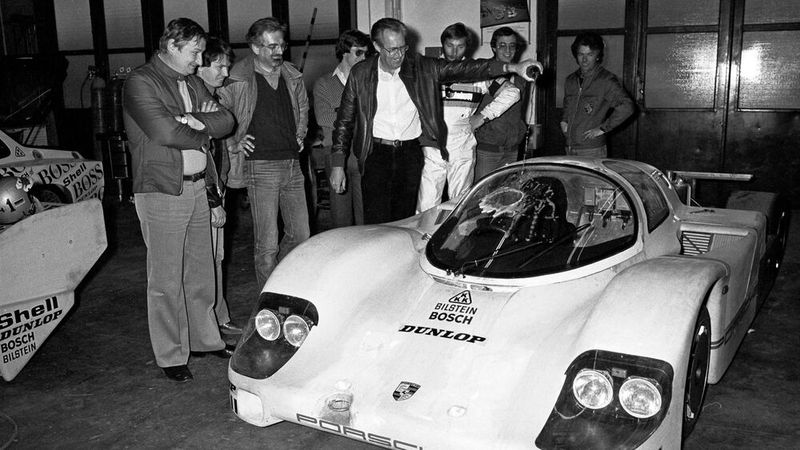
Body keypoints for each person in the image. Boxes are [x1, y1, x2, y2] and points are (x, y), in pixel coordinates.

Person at [330, 17, 540, 224]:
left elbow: (467, 69)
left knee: (407, 219)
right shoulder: (361, 73)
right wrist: (338, 164)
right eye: (392, 50)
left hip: (410, 153)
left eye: (402, 48)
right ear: (377, 46)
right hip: (376, 153)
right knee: (377, 220)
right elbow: (344, 120)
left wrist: (512, 68)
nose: (399, 55)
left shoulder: (420, 67)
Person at [122, 18, 235, 383]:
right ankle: (171, 354)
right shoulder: (141, 82)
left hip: (199, 186)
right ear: (172, 46)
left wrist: (192, 119)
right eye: (195, 52)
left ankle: (204, 340)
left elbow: (227, 121)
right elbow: (164, 131)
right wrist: (201, 129)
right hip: (162, 189)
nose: (200, 60)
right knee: (166, 277)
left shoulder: (193, 82)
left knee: (201, 271)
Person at [217, 17, 310, 289]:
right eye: (271, 46)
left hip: (292, 164)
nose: (279, 51)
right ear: (255, 48)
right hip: (260, 166)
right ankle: (269, 301)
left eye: (281, 45)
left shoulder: (292, 75)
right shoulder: (237, 77)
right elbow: (218, 112)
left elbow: (303, 107)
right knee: (267, 244)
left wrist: (300, 132)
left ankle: (280, 282)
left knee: (301, 236)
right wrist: (233, 140)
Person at [416, 22, 521, 214]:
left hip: (462, 144)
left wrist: (482, 116)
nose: (454, 52)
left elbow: (512, 93)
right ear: (442, 45)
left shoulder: (477, 74)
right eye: (450, 45)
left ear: (467, 47)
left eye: (460, 46)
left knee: (460, 204)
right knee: (427, 204)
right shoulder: (428, 71)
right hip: (433, 145)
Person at [194, 36, 241, 336]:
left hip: (219, 188)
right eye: (219, 66)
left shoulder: (216, 101)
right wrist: (213, 200)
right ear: (200, 67)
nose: (225, 72)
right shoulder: (199, 105)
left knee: (217, 256)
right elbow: (202, 157)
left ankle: (219, 318)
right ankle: (208, 327)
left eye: (227, 66)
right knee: (206, 259)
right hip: (206, 193)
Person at [312, 30, 370, 227]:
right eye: (358, 52)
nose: (363, 58)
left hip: (363, 152)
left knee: (366, 217)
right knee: (341, 217)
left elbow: (373, 116)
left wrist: (341, 113)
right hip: (335, 153)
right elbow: (323, 117)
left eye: (366, 53)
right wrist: (358, 117)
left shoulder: (368, 82)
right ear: (344, 52)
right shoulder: (324, 83)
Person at [560, 32, 634, 157]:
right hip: (570, 146)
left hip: (592, 149)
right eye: (581, 54)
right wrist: (564, 120)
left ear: (598, 56)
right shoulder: (571, 80)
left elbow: (627, 106)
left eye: (590, 54)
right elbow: (567, 104)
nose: (584, 59)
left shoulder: (606, 80)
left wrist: (603, 128)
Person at [474, 27, 530, 180]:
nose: (508, 51)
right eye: (502, 45)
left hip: (512, 149)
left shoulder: (521, 77)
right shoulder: (484, 71)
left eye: (512, 46)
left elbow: (519, 111)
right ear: (494, 47)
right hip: (487, 149)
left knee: (507, 192)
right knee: (483, 192)